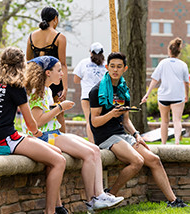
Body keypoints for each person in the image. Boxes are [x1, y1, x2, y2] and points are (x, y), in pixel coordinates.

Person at [23, 56, 124, 213]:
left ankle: (100, 195)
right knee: (88, 153)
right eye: (59, 70)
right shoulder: (37, 92)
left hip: (53, 133)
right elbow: (37, 122)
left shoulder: (47, 91)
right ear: (48, 73)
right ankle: (92, 200)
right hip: (44, 137)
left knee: (95, 149)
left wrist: (59, 109)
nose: (62, 74)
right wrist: (60, 108)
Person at [89, 52, 187, 208]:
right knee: (137, 161)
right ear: (107, 67)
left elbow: (126, 120)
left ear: (125, 69)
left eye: (119, 67)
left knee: (154, 160)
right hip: (106, 136)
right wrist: (111, 114)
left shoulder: (123, 91)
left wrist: (136, 135)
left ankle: (173, 201)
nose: (115, 70)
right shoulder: (97, 91)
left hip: (121, 134)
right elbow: (94, 121)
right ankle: (109, 195)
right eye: (112, 66)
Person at [0, 47, 67, 214]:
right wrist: (37, 134)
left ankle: (58, 206)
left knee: (56, 151)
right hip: (7, 139)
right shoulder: (15, 85)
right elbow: (31, 123)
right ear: (21, 65)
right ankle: (51, 211)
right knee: (59, 161)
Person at [141, 37, 189, 145]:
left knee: (164, 121)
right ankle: (177, 141)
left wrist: (147, 94)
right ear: (179, 52)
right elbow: (187, 83)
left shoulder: (163, 63)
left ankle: (163, 144)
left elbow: (154, 80)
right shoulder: (183, 65)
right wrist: (187, 95)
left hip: (163, 97)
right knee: (177, 120)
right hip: (178, 96)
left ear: (169, 51)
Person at [26, 6, 67, 133]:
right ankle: (63, 142)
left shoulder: (31, 36)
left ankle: (37, 135)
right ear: (55, 19)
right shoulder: (60, 37)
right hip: (54, 79)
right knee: (59, 113)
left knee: (35, 111)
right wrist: (65, 87)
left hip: (36, 81)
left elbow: (29, 62)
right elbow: (63, 64)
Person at [73, 42, 107, 142]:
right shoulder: (107, 64)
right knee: (102, 120)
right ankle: (102, 142)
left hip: (87, 95)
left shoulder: (83, 63)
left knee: (89, 121)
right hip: (102, 95)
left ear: (90, 52)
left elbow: (75, 80)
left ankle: (92, 143)